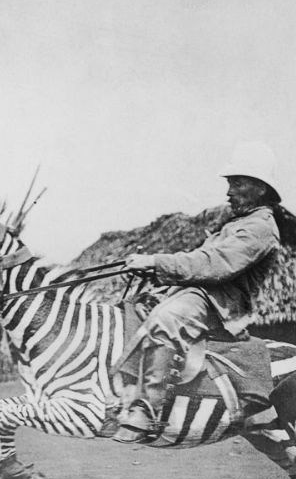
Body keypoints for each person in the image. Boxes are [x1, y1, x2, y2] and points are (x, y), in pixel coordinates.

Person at [112, 141, 283, 441]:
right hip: (198, 293)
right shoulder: (238, 222)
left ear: (260, 188)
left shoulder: (260, 229)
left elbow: (213, 264)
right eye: (230, 183)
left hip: (218, 303)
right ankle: (122, 392)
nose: (229, 192)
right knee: (133, 308)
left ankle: (147, 410)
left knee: (166, 319)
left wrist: (155, 261)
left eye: (237, 183)